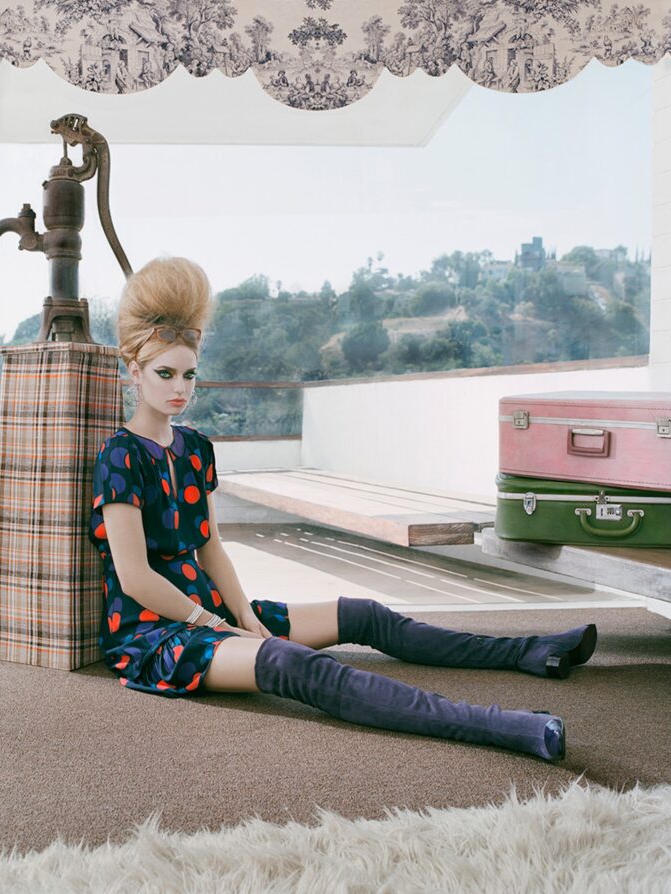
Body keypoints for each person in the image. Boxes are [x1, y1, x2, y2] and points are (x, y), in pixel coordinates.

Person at [89, 257, 598, 762]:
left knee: (364, 615)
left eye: (189, 374)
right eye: (165, 374)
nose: (180, 388)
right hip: (155, 635)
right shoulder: (119, 456)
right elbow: (135, 578)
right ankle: (504, 726)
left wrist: (241, 611)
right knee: (295, 664)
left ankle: (530, 650)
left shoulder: (196, 447)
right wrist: (213, 623)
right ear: (135, 372)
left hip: (213, 612)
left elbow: (212, 548)